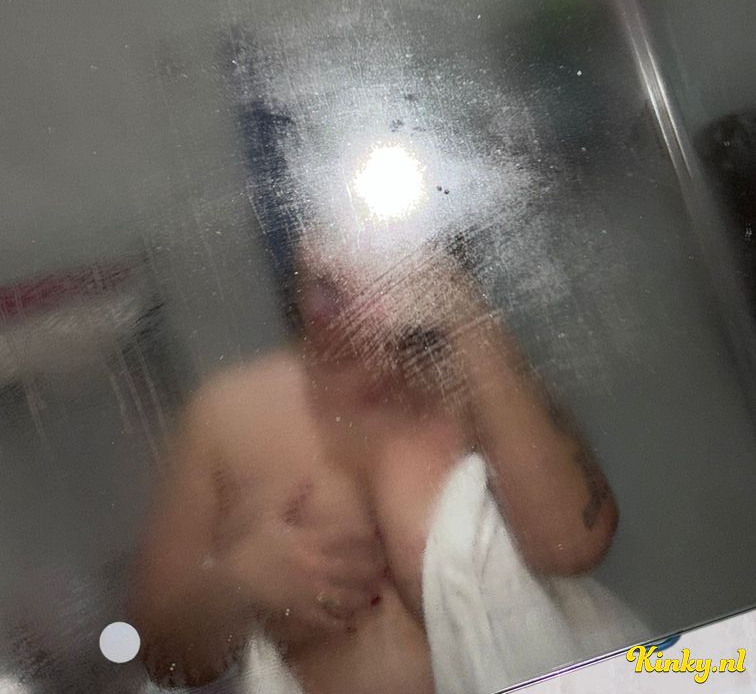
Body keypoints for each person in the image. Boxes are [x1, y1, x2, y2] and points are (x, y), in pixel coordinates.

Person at [130, 227, 619, 693]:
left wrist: (458, 305)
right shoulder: (227, 415)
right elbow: (160, 657)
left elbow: (573, 547)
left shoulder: (471, 376)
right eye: (319, 221)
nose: (342, 246)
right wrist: (241, 582)